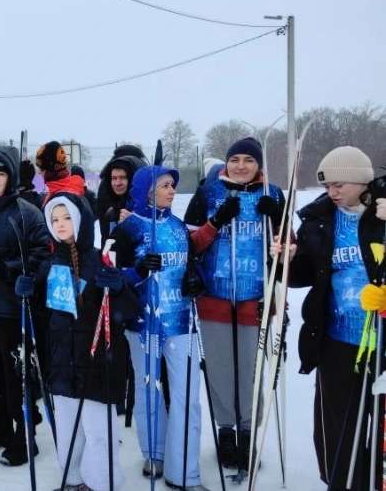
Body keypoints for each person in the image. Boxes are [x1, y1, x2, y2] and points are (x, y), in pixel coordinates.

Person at [183, 137, 285, 470]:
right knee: (220, 368)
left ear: (259, 165)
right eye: (235, 159)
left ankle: (247, 432)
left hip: (254, 299)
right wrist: (216, 222)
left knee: (250, 372)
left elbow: (288, 251)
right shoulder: (208, 193)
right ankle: (226, 431)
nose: (241, 166)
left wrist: (280, 218)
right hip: (214, 296)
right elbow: (189, 246)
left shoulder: (272, 194)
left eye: (249, 160)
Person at [286, 146, 384, 490]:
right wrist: (286, 260)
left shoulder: (383, 215)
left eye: (339, 184)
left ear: (362, 180)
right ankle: (345, 483)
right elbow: (303, 276)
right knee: (337, 425)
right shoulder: (321, 221)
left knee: (379, 424)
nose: (333, 192)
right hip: (338, 341)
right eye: (328, 186)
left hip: (381, 341)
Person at [30, 192, 136, 491]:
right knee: (67, 432)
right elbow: (41, 315)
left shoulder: (102, 258)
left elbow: (129, 311)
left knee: (99, 432)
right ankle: (71, 480)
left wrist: (117, 289)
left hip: (98, 362)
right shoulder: (50, 264)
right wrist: (25, 291)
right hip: (63, 362)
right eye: (54, 219)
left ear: (80, 220)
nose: (60, 224)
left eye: (66, 218)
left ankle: (102, 483)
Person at [112, 164, 207, 490]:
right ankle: (154, 452)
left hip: (181, 321)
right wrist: (138, 270)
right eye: (165, 185)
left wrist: (196, 281)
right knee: (149, 390)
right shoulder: (128, 229)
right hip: (144, 323)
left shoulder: (180, 228)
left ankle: (185, 471)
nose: (171, 190)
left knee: (188, 396)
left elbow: (191, 267)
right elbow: (114, 279)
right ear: (147, 189)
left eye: (172, 185)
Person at [0, 145, 51, 467]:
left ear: (10, 177)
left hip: (13, 309)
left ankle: (24, 433)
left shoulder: (26, 212)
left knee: (16, 374)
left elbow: (43, 256)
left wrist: (7, 268)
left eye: (1, 174)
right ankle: (0, 425)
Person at [96, 152, 146, 247]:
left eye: (122, 178)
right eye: (114, 178)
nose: (117, 183)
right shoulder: (112, 211)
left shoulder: (149, 210)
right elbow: (108, 246)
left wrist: (135, 222)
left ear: (133, 179)